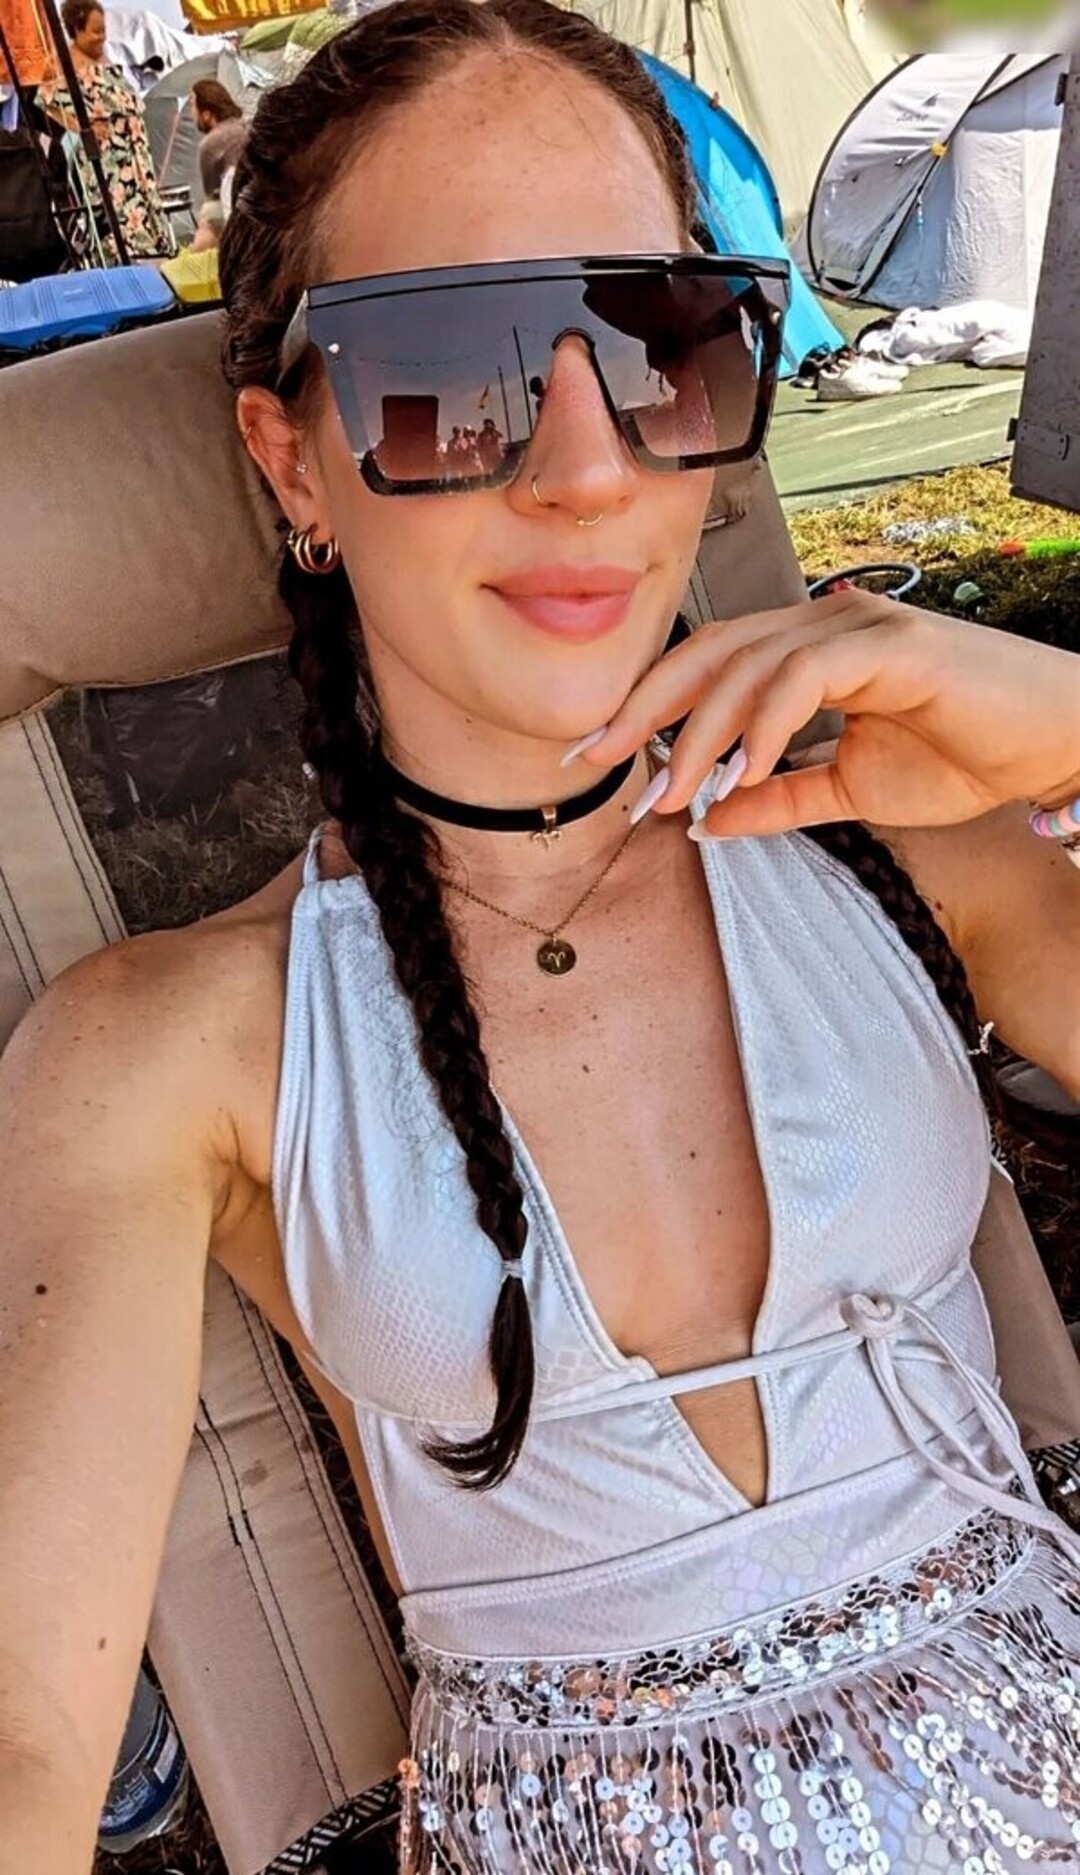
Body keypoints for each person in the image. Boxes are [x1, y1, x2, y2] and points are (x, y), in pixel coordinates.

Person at [2, 4, 1080, 1872]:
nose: (589, 471)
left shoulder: (904, 840)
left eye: (660, 345)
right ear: (293, 464)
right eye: (449, 374)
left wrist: (1071, 733)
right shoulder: (172, 1046)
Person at [42, 0, 173, 260]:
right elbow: (46, 101)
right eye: (96, 31)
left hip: (133, 150)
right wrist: (80, 127)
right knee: (118, 218)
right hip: (108, 156)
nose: (102, 36)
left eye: (103, 30)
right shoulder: (62, 62)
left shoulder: (103, 56)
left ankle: (153, 256)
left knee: (145, 210)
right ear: (76, 29)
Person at [189, 76, 245, 251]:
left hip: (235, 211)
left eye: (192, 106)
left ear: (206, 114)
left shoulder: (210, 144)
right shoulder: (248, 127)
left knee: (208, 213)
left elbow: (213, 196)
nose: (192, 114)